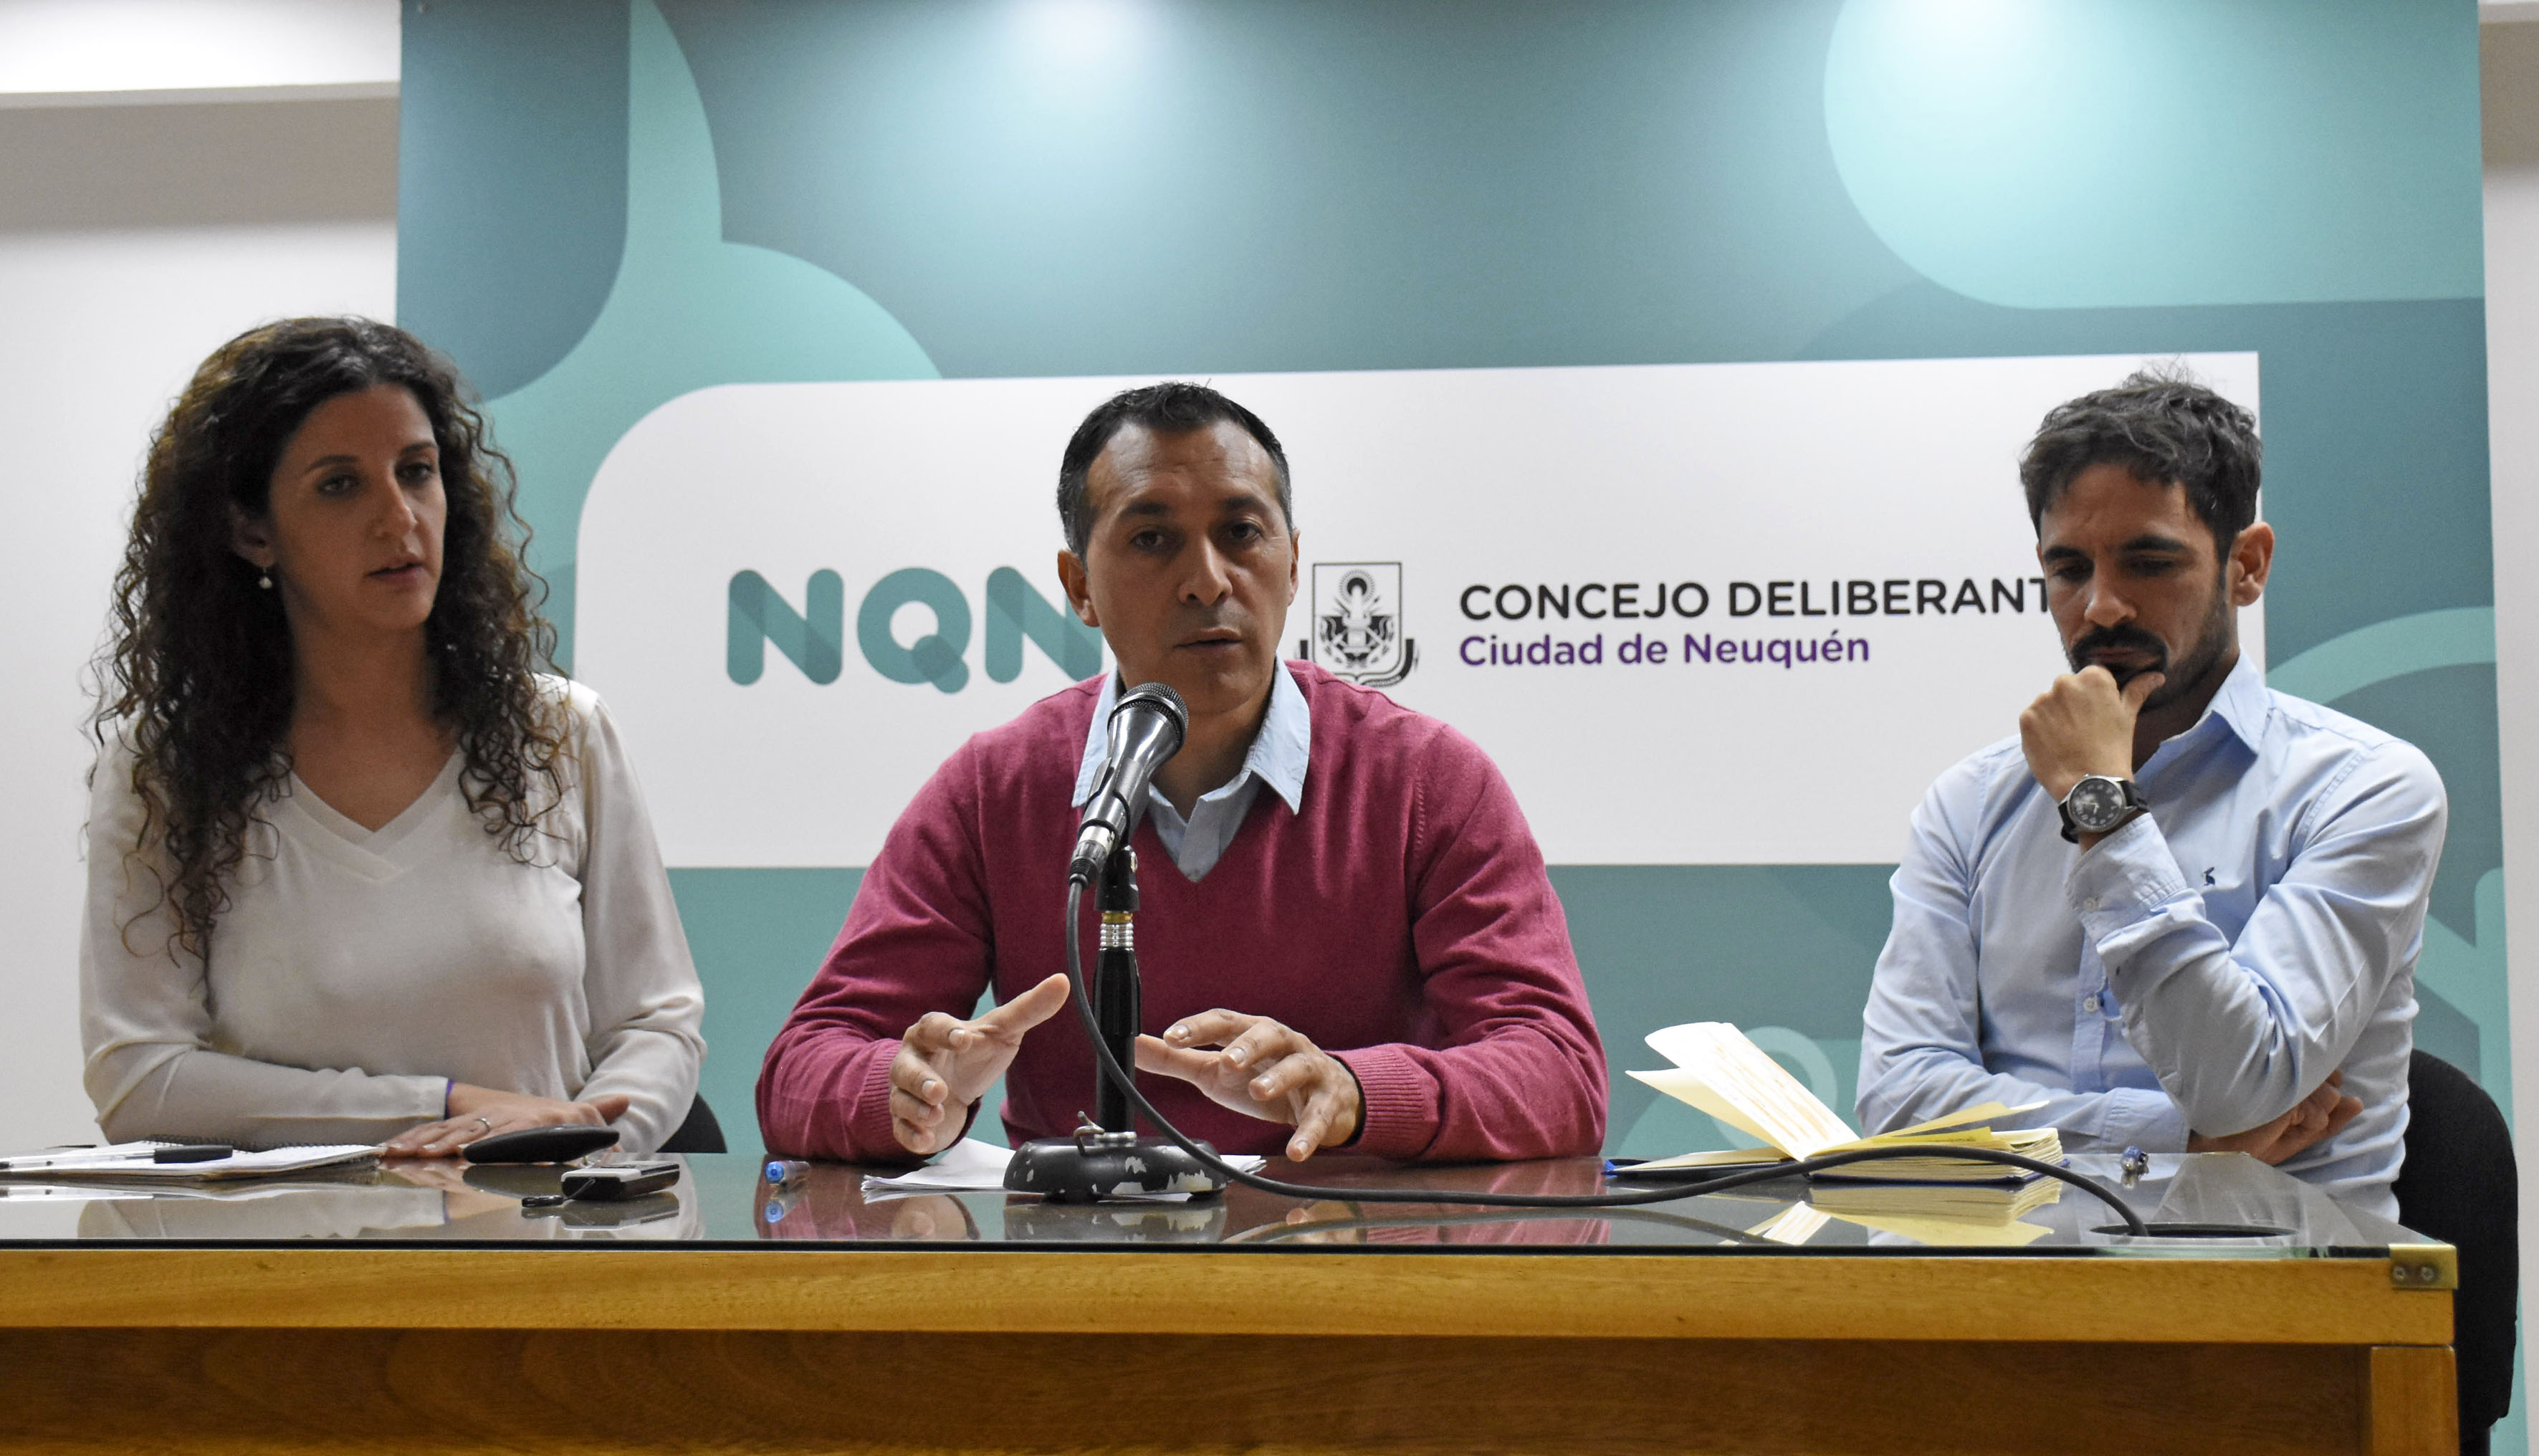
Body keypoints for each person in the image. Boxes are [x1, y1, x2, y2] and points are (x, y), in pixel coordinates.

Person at [758, 382, 1605, 1164]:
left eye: (1241, 533)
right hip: (1074, 1284)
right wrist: (904, 1093)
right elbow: (801, 1066)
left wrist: (1353, 1091)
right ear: (1079, 586)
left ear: (1294, 561)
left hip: (1350, 1272)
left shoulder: (1427, 781)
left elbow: (1560, 1073)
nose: (1207, 581)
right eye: (1152, 539)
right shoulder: (996, 788)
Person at [81, 317, 705, 1155]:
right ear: (251, 531)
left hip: (544, 1254)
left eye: (417, 472)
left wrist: (580, 1144)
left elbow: (658, 1024)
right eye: (341, 485)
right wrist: (442, 1109)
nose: (399, 516)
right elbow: (141, 1079)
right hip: (284, 1272)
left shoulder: (562, 734)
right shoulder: (165, 767)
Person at [1855, 370, 2445, 1220]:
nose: (2100, 607)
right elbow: (1900, 1103)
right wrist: (2171, 1143)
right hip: (2004, 1296)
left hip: (2277, 1309)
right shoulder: (1969, 802)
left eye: (2148, 561)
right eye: (2069, 569)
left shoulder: (2364, 791)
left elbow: (2240, 1087)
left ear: (2246, 565)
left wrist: (2101, 807)